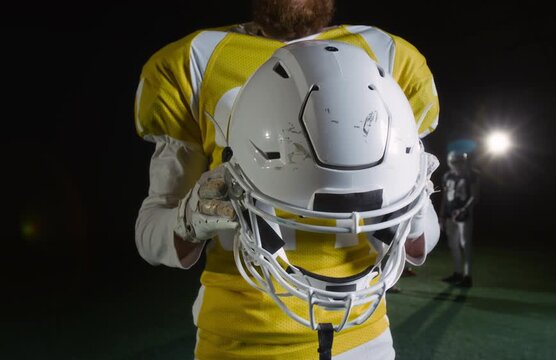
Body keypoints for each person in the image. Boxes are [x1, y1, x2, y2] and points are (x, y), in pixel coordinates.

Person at [133, 1, 440, 359]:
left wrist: (415, 205)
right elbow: (149, 232)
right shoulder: (193, 61)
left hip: (363, 337)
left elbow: (417, 246)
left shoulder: (390, 56)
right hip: (239, 341)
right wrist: (189, 218)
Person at [439, 150, 480, 287]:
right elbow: (445, 197)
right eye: (455, 162)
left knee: (465, 245)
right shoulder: (447, 176)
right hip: (451, 214)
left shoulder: (472, 175)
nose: (458, 165)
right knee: (453, 245)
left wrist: (464, 209)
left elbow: (474, 195)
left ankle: (468, 276)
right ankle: (457, 273)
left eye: (460, 162)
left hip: (464, 215)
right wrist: (442, 215)